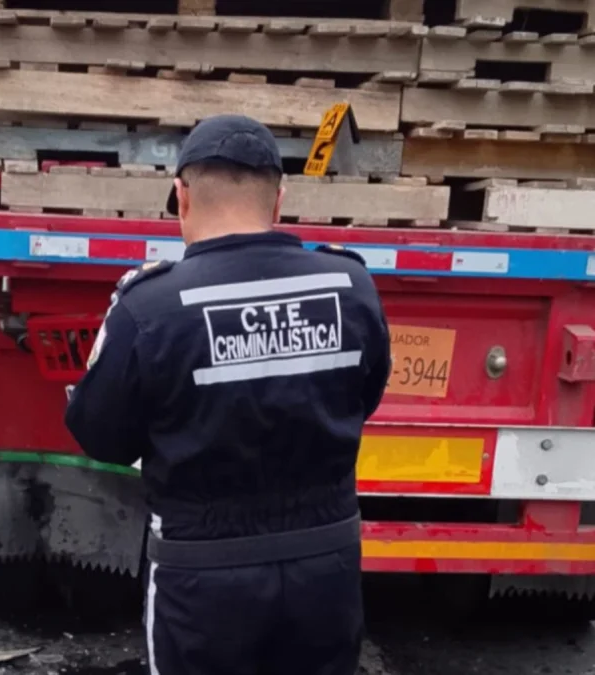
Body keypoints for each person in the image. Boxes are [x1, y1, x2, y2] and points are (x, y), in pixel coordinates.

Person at [64, 114, 391, 675]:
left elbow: (101, 437)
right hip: (326, 569)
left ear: (181, 197)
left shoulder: (150, 306)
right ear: (279, 200)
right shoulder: (351, 286)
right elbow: (366, 395)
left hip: (202, 580)